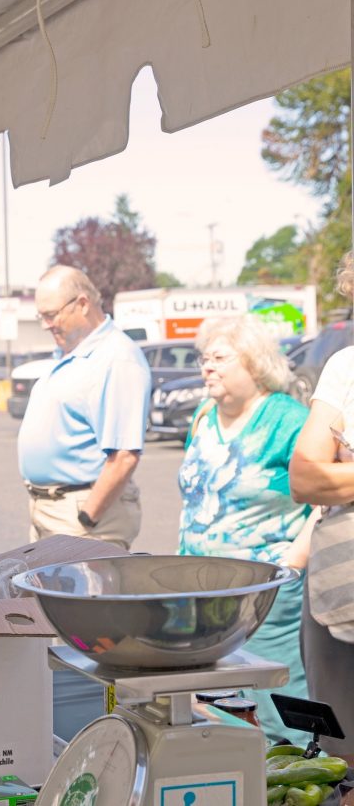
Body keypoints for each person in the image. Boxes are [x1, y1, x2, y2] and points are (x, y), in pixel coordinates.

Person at [178, 315, 313, 743]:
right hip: (202, 590)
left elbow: (329, 496)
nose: (207, 367)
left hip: (266, 590)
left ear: (254, 363)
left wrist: (293, 559)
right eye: (204, 358)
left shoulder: (287, 419)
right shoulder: (203, 416)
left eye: (219, 357)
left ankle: (305, 777)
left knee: (277, 702)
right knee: (216, 702)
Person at [17, 265, 150, 548]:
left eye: (51, 315)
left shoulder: (117, 358)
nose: (45, 324)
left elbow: (124, 456)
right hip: (53, 509)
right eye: (41, 316)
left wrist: (87, 517)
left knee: (83, 593)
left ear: (82, 304)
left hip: (82, 517)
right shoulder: (74, 353)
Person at [290, 254, 354, 762]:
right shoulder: (344, 366)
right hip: (339, 586)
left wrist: (345, 469)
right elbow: (306, 476)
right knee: (340, 752)